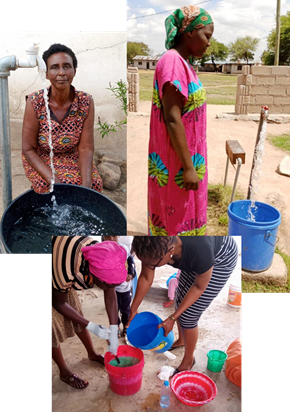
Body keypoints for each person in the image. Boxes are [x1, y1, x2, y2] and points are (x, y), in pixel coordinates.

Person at [127, 236, 238, 376]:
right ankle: (181, 341)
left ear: (170, 251)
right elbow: (146, 277)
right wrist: (133, 308)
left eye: (153, 264)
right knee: (180, 298)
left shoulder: (200, 251)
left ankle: (188, 360)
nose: (149, 266)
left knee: (189, 315)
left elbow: (198, 287)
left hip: (221, 257)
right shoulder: (153, 243)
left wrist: (172, 318)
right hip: (192, 256)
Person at [148, 5, 214, 235]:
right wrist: (187, 168)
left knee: (186, 223)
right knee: (176, 227)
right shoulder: (173, 62)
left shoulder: (183, 63)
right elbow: (172, 118)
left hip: (186, 160)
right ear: (189, 32)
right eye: (207, 35)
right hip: (176, 164)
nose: (208, 42)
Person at [22, 43, 103, 194]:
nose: (61, 72)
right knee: (48, 189)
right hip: (41, 157)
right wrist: (54, 180)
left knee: (94, 185)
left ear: (74, 71)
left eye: (66, 66)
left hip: (72, 156)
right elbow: (28, 149)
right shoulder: (35, 101)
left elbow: (85, 148)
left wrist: (86, 187)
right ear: (46, 74)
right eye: (54, 67)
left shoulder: (85, 102)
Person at [51, 236, 127, 389]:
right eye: (105, 285)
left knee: (75, 312)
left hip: (64, 273)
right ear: (93, 275)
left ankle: (91, 354)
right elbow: (58, 302)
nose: (109, 289)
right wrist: (92, 326)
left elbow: (110, 291)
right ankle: (64, 372)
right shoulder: (66, 271)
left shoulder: (102, 255)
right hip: (54, 266)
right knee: (52, 325)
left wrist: (113, 330)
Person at [102, 236, 136, 338]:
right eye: (108, 236)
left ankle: (126, 325)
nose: (111, 238)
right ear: (103, 237)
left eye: (114, 236)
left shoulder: (124, 248)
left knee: (126, 308)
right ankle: (115, 326)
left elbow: (131, 261)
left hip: (125, 287)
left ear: (118, 236)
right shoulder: (102, 250)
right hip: (111, 288)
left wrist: (130, 273)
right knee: (113, 308)